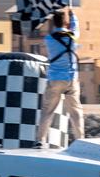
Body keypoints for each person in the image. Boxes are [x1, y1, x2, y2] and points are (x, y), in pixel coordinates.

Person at [35, 8, 84, 147]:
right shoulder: (73, 36)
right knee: (75, 112)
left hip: (55, 79)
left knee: (47, 111)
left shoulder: (49, 39)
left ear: (54, 23)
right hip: (71, 78)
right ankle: (80, 140)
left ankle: (40, 140)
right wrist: (73, 14)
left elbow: (54, 31)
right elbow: (76, 26)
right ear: (66, 22)